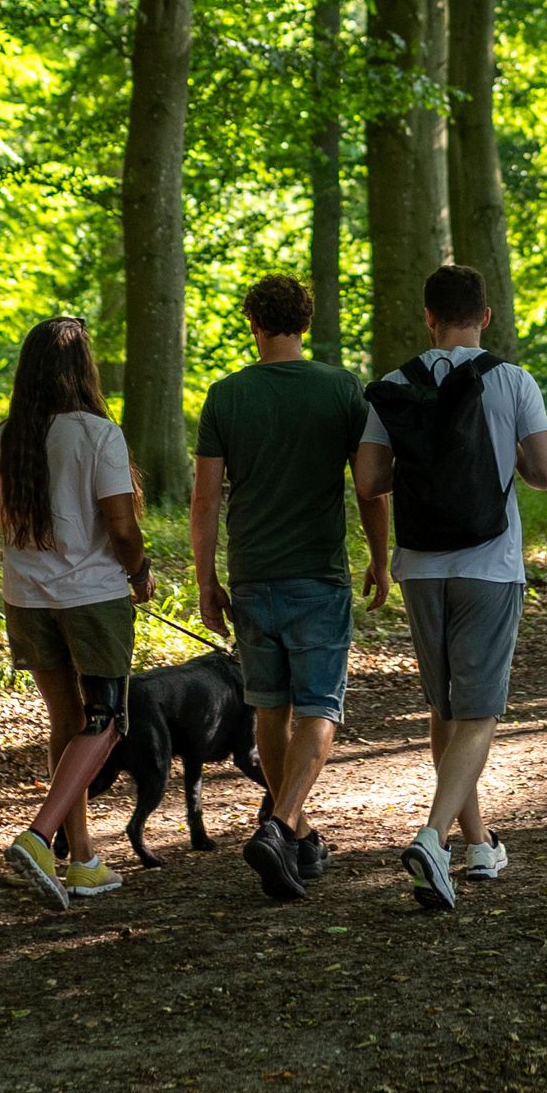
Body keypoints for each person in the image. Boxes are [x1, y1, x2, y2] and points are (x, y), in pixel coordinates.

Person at [354, 261, 547, 911]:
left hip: (419, 566)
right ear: (486, 315)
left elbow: (368, 480)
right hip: (489, 566)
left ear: (427, 316)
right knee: (479, 714)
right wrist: (515, 460)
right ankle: (430, 835)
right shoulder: (511, 380)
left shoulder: (395, 385)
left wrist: (421, 467)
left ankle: (478, 844)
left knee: (445, 709)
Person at [191, 270, 386, 904]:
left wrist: (206, 581)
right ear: (306, 323)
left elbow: (203, 502)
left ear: (253, 324)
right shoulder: (342, 390)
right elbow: (369, 485)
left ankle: (293, 830)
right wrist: (381, 559)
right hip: (318, 576)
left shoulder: (226, 396)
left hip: (252, 576)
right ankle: (282, 825)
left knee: (270, 710)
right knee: (321, 708)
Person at [0, 313, 151, 912]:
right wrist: (138, 574)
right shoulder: (97, 434)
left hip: (28, 599)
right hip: (92, 600)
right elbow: (122, 526)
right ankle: (38, 837)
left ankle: (81, 860)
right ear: (83, 369)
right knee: (106, 721)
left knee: (67, 723)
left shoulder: (11, 436)